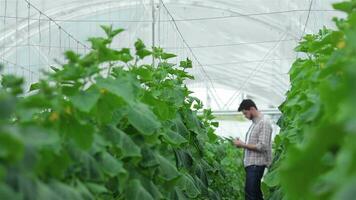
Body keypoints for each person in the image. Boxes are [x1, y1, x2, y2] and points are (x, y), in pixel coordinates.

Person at [233, 99, 272, 200]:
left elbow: (262, 146)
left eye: (245, 113)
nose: (245, 116)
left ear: (252, 109)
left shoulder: (264, 122)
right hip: (252, 165)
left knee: (251, 195)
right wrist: (242, 143)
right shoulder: (255, 123)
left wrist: (242, 144)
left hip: (256, 165)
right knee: (255, 194)